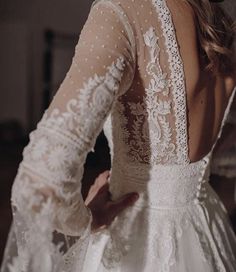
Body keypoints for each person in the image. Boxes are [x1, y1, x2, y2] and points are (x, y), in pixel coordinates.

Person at [1, 0, 236, 271]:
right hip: (204, 232)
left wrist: (85, 220)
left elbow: (41, 179)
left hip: (137, 240)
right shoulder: (214, 21)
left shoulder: (121, 11)